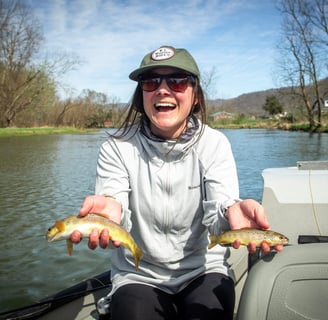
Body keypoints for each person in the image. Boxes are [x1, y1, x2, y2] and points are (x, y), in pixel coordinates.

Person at [71, 45, 283, 320]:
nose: (162, 89)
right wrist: (111, 215)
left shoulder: (215, 144)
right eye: (151, 81)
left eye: (178, 81)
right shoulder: (116, 147)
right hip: (139, 274)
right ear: (142, 96)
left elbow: (220, 214)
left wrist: (231, 214)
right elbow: (115, 206)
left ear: (195, 97)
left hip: (203, 270)